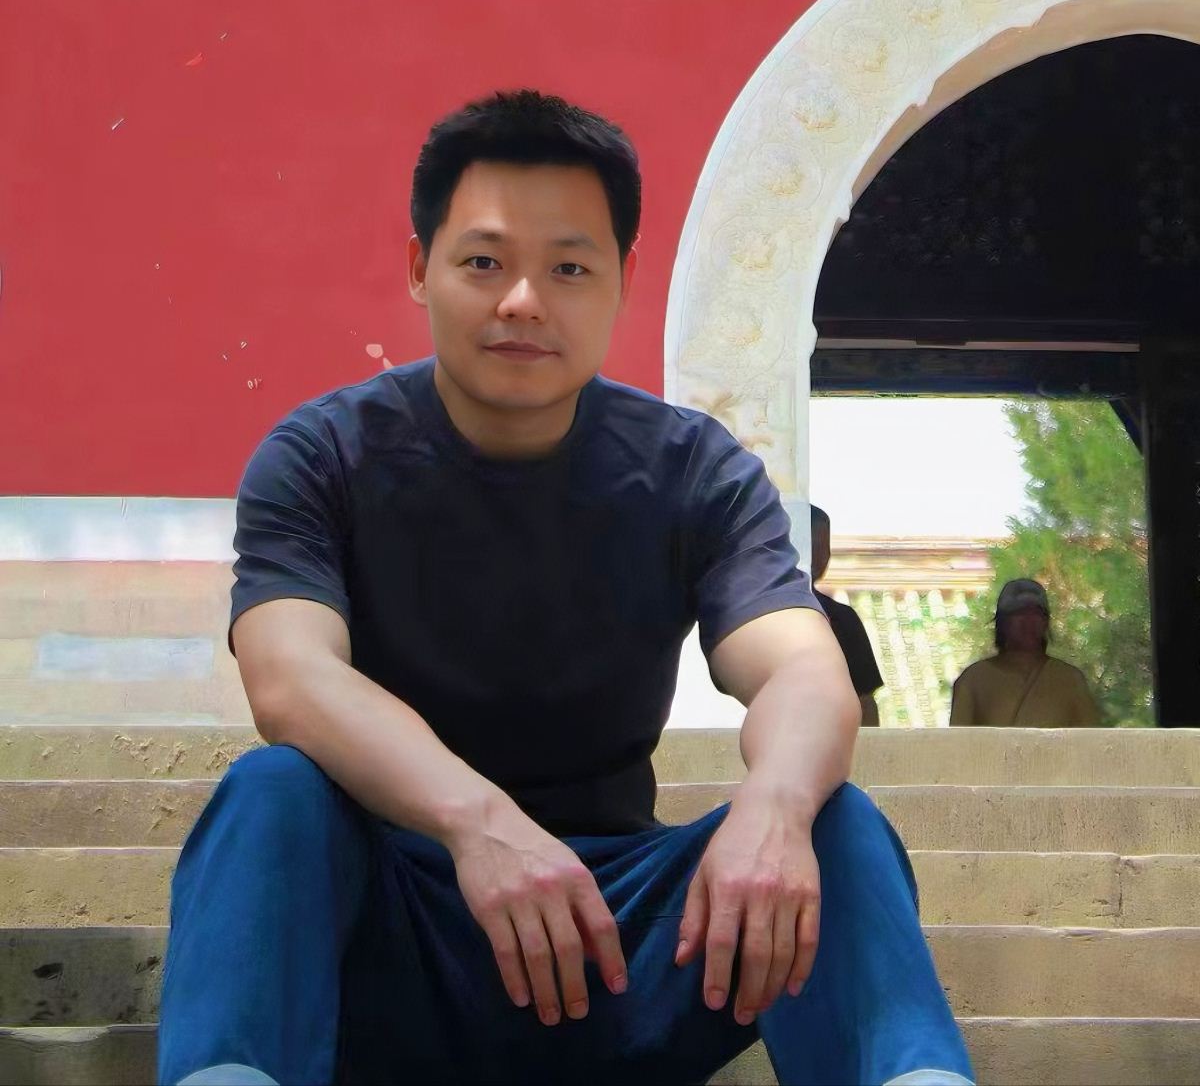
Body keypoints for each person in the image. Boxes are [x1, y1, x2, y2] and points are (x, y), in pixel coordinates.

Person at [158, 91, 974, 1086]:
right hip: (396, 936)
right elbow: (290, 678)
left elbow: (802, 671)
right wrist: (477, 823)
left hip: (622, 948)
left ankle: (912, 1075)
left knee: (829, 819)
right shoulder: (321, 456)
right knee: (272, 794)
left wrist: (774, 807)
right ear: (419, 267)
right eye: (483, 262)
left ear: (623, 281)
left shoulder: (694, 471)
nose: (522, 301)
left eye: (570, 268)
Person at [949, 578, 1099, 727]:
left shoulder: (1070, 680)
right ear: (1002, 622)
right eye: (1019, 613)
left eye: (1036, 613)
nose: (1028, 621)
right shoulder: (974, 680)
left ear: (1046, 622)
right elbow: (959, 739)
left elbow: (1090, 737)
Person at [810, 505, 884, 727]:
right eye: (813, 546)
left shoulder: (843, 618)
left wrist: (869, 744)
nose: (822, 556)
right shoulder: (757, 617)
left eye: (825, 547)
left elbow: (864, 700)